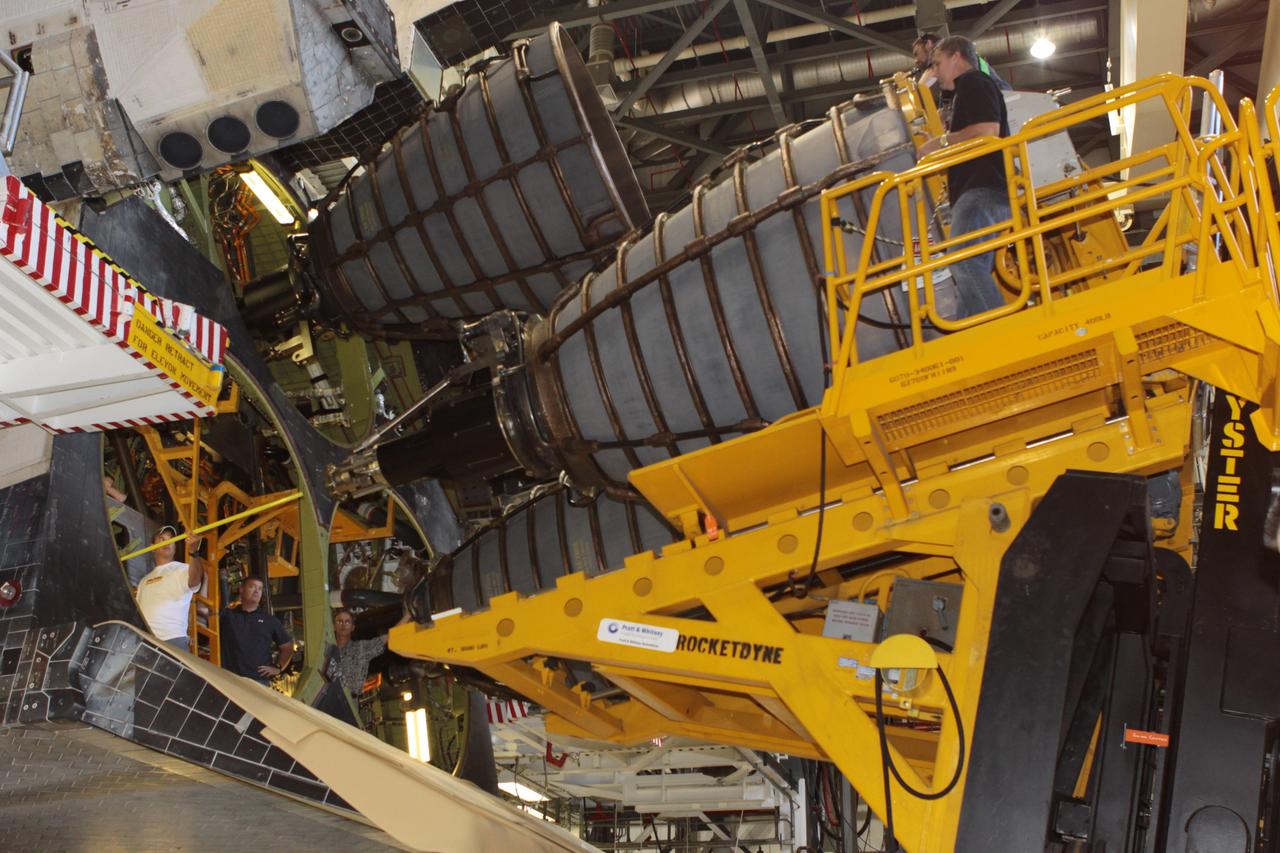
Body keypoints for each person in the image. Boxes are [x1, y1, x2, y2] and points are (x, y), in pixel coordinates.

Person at [917, 35, 1012, 318]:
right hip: (981, 191)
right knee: (970, 274)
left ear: (957, 57)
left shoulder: (973, 82)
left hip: (981, 190)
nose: (934, 72)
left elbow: (986, 131)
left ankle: (1004, 334)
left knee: (964, 262)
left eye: (937, 64)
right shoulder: (965, 91)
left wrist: (940, 143)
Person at [135, 526, 204, 653]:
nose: (167, 542)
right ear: (152, 547)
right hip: (146, 642)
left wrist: (194, 553)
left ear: (175, 546)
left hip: (173, 640)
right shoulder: (144, 581)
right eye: (162, 539)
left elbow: (195, 580)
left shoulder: (183, 569)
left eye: (171, 539)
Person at [220, 576, 294, 686]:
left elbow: (287, 648)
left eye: (259, 589)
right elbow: (204, 611)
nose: (256, 591)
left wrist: (278, 668)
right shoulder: (228, 616)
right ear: (241, 589)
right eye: (252, 587)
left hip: (259, 682)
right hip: (229, 680)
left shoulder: (270, 621)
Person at [323, 607, 406, 698]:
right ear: (334, 625)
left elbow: (390, 636)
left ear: (352, 627)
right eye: (340, 621)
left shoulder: (360, 649)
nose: (343, 625)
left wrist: (407, 616)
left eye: (347, 622)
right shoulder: (325, 644)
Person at [913, 32, 1011, 91]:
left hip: (1000, 93)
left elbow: (922, 87)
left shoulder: (946, 54)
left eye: (916, 53)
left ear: (928, 43)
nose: (916, 60)